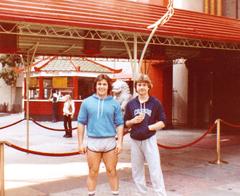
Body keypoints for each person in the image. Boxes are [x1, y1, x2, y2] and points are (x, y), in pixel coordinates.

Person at [77, 74, 124, 196]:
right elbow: (81, 123)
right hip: (93, 142)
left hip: (110, 142)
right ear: (95, 86)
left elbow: (120, 124)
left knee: (111, 171)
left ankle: (115, 194)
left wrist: (119, 142)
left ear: (108, 86)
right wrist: (80, 143)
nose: (101, 86)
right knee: (93, 172)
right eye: (99, 84)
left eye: (104, 84)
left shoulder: (115, 103)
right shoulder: (86, 102)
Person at [124, 74, 167, 196]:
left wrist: (148, 127)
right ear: (136, 87)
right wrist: (133, 121)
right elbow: (126, 122)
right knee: (137, 171)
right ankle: (141, 194)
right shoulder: (131, 104)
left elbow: (163, 122)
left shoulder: (155, 103)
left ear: (148, 86)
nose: (141, 87)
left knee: (155, 170)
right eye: (139, 85)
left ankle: (160, 194)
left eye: (144, 84)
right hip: (135, 140)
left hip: (150, 139)